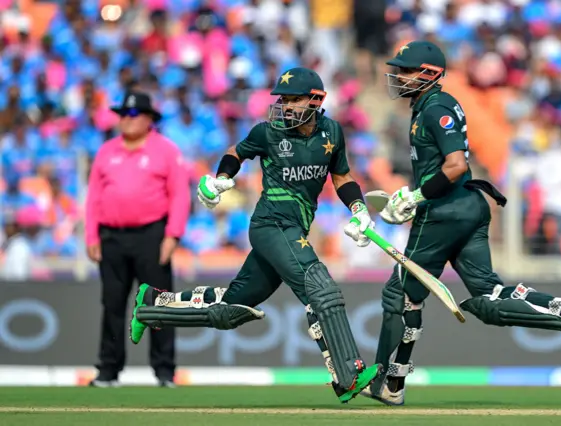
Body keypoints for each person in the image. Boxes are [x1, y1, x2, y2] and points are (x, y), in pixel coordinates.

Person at [359, 41, 561, 406]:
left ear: (428, 73)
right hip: (468, 205)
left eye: (406, 70)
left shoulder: (436, 106)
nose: (398, 76)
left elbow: (454, 165)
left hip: (444, 211)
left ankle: (386, 382)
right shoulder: (430, 104)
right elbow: (443, 167)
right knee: (488, 296)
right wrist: (411, 195)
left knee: (401, 295)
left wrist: (417, 198)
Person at [128, 67, 381, 403]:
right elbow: (237, 152)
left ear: (317, 100)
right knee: (320, 286)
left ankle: (152, 306)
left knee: (231, 310)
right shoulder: (268, 132)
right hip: (271, 224)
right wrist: (221, 179)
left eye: (294, 99)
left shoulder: (331, 132)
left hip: (296, 228)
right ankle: (348, 374)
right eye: (284, 100)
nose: (286, 106)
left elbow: (342, 176)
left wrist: (359, 210)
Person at [85, 91, 191, 387]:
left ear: (148, 120)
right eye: (123, 115)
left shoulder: (166, 151)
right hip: (112, 236)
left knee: (158, 305)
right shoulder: (107, 151)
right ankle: (108, 371)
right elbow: (93, 196)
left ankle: (164, 371)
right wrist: (92, 234)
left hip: (151, 235)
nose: (127, 121)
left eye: (133, 115)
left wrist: (173, 235)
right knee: (113, 304)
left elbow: (180, 195)